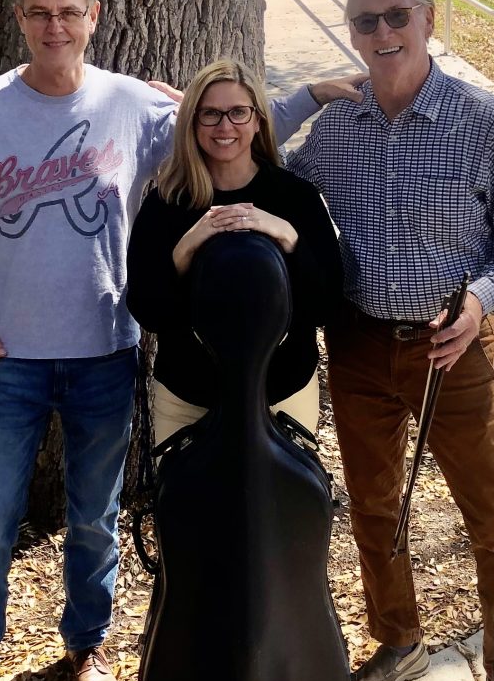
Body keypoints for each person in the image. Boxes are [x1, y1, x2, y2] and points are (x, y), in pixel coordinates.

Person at [0, 0, 360, 681]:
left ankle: (85, 649)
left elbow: (231, 131)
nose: (55, 26)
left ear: (93, 17)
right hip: (7, 358)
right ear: (19, 17)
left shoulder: (131, 105)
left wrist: (307, 95)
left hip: (103, 351)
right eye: (39, 12)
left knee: (94, 518)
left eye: (69, 12)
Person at [289, 0, 494, 681]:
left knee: (492, 514)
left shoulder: (483, 121)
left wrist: (479, 302)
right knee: (375, 505)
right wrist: (268, 105)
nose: (383, 33)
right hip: (360, 343)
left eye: (396, 16)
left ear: (428, 21)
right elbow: (263, 172)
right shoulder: (336, 129)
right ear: (352, 34)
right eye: (365, 22)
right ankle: (399, 642)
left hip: (454, 346)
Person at [127, 59, 349, 444]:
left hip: (282, 395)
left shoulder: (295, 197)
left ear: (258, 120)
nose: (225, 126)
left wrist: (289, 238)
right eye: (210, 113)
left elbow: (326, 306)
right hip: (188, 399)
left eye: (238, 112)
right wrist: (185, 250)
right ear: (192, 122)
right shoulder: (167, 204)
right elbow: (149, 311)